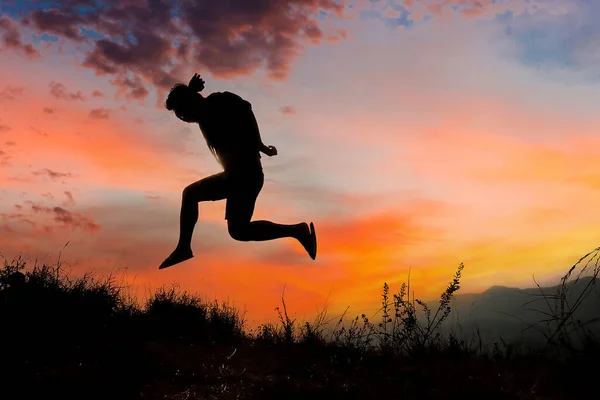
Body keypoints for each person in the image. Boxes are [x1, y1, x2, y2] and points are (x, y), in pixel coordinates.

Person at [158, 74, 317, 270]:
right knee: (239, 231)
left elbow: (245, 108)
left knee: (190, 194)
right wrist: (190, 92)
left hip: (244, 174)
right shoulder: (204, 115)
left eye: (182, 114)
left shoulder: (216, 101)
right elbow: (200, 107)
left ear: (190, 104)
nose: (184, 119)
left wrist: (260, 145)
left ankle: (183, 248)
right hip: (239, 175)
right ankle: (298, 231)